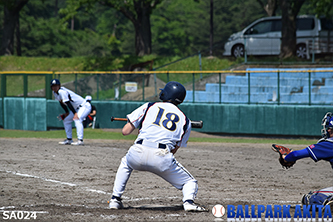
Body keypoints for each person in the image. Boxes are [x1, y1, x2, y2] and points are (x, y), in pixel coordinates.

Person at [108, 81, 207, 212]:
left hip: (137, 151)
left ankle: (115, 199)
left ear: (166, 94)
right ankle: (188, 202)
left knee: (126, 163)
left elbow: (125, 131)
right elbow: (174, 150)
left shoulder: (149, 106)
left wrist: (133, 122)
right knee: (190, 182)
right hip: (161, 157)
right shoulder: (185, 121)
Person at [273, 112, 333, 206]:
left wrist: (286, 157)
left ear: (329, 130)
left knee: (312, 198)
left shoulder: (328, 144)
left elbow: (296, 155)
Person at [50, 79, 91, 146]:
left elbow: (68, 103)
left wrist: (75, 113)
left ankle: (80, 140)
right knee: (66, 120)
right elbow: (61, 102)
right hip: (76, 108)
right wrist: (67, 112)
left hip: (84, 106)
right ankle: (69, 139)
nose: (55, 87)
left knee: (77, 119)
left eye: (56, 86)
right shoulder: (55, 93)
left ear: (59, 86)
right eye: (53, 86)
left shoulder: (61, 91)